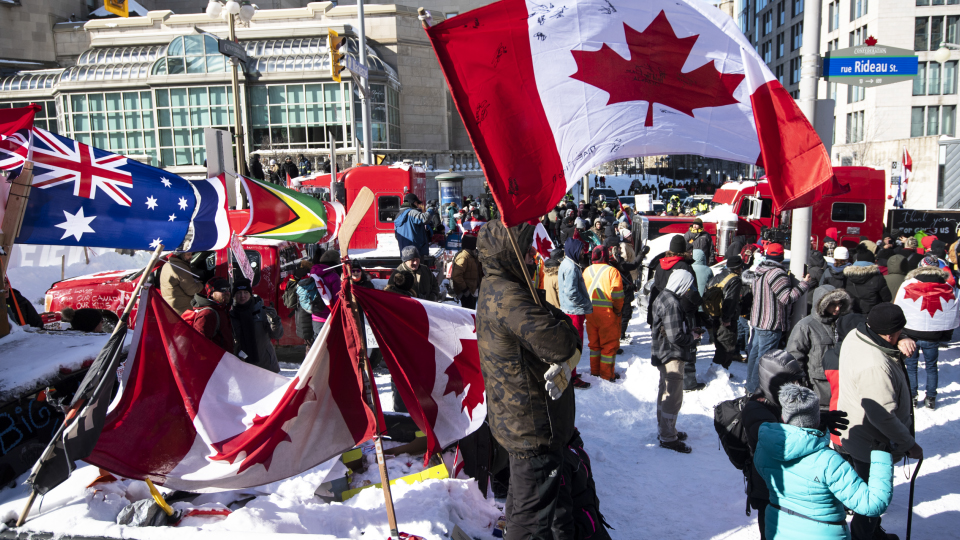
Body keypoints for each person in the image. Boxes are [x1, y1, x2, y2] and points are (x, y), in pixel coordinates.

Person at [475, 219, 582, 540]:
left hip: (524, 421)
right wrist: (570, 334)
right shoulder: (508, 297)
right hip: (532, 427)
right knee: (529, 519)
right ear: (508, 255)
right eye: (523, 252)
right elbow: (561, 342)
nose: (530, 257)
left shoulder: (500, 286)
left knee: (553, 509)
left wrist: (558, 322)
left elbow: (552, 316)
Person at [754, 384, 892, 540]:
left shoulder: (765, 448)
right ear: (817, 419)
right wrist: (881, 458)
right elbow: (873, 505)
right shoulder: (828, 461)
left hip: (778, 530)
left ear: (783, 417)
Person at [838, 303, 921, 540]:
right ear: (889, 334)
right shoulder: (874, 364)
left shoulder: (858, 333)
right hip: (872, 441)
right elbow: (883, 415)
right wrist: (908, 444)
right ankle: (865, 536)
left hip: (859, 432)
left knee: (868, 490)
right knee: (872, 498)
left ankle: (871, 531)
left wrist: (901, 336)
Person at [746, 243, 814, 395]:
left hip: (758, 320)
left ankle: (750, 387)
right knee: (763, 360)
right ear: (782, 256)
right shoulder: (777, 273)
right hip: (770, 322)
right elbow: (786, 298)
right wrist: (804, 285)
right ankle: (755, 391)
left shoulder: (760, 270)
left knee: (755, 355)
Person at [895, 259, 959, 410]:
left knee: (910, 366)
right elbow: (952, 313)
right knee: (931, 367)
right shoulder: (947, 287)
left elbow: (898, 308)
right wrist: (945, 334)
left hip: (910, 334)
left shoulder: (907, 285)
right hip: (933, 335)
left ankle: (912, 397)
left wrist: (900, 333)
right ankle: (931, 398)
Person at [650, 269, 699, 453]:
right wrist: (692, 337)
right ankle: (668, 437)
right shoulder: (672, 303)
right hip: (672, 355)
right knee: (673, 396)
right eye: (688, 285)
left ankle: (665, 429)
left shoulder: (663, 296)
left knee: (665, 391)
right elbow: (676, 336)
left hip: (663, 353)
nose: (689, 289)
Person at [786, 286, 852, 408]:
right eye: (833, 304)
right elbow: (794, 357)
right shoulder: (806, 326)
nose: (837, 308)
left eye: (840, 304)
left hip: (842, 388)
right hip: (818, 389)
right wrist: (801, 386)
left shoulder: (843, 324)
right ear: (822, 304)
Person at [583, 246, 624, 381]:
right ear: (606, 255)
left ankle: (595, 372)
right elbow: (617, 295)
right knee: (609, 346)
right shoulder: (612, 271)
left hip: (590, 314)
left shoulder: (586, 271)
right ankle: (607, 375)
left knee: (594, 346)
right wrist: (618, 310)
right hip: (607, 315)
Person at [558, 238, 592, 390]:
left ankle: (572, 372)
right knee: (576, 345)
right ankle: (572, 376)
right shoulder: (571, 267)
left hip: (568, 309)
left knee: (572, 344)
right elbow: (571, 292)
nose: (583, 253)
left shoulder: (566, 263)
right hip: (574, 311)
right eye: (580, 250)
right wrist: (585, 303)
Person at [229, 277, 283, 373]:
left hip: (266, 364)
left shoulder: (262, 311)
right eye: (238, 293)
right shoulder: (230, 315)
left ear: (250, 294)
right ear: (233, 296)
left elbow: (277, 335)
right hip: (242, 366)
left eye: (246, 292)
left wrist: (274, 320)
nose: (242, 296)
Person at [706, 255, 744, 368]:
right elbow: (730, 301)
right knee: (727, 346)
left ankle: (717, 371)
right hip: (726, 319)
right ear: (738, 268)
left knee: (720, 345)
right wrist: (727, 318)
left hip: (714, 315)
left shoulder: (717, 277)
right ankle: (720, 373)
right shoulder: (735, 280)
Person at [188, 277, 234, 353]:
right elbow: (200, 345)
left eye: (228, 289)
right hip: (217, 362)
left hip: (225, 360)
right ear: (212, 294)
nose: (227, 292)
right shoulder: (207, 314)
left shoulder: (222, 309)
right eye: (222, 290)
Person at [843, 250, 891, 315]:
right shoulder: (877, 277)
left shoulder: (848, 276)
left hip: (852, 313)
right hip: (872, 313)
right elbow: (887, 298)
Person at [160, 251, 203, 316]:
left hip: (171, 306)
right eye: (188, 254)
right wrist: (201, 284)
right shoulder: (181, 268)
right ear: (180, 255)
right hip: (182, 310)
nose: (191, 257)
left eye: (191, 254)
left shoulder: (168, 264)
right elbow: (192, 290)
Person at [395, 193, 431, 258]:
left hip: (404, 252)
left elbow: (396, 235)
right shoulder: (412, 212)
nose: (417, 206)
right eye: (417, 203)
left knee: (407, 267)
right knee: (418, 267)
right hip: (416, 251)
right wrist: (431, 210)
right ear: (414, 202)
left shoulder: (398, 215)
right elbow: (425, 219)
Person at [451, 234, 481, 309]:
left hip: (473, 291)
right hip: (467, 293)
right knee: (467, 314)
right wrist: (465, 290)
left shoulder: (472, 256)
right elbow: (457, 276)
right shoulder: (463, 257)